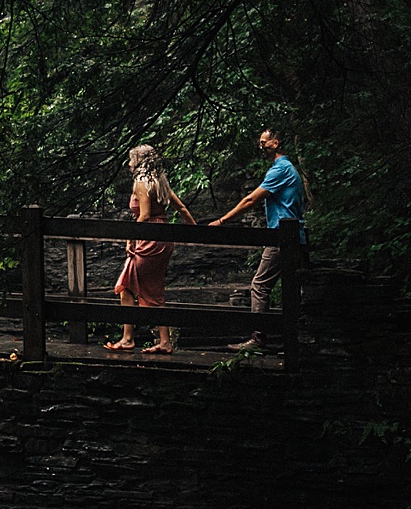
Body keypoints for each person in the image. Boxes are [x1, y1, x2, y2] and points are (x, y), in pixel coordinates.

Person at [208, 128, 307, 351]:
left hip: (283, 237)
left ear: (276, 142)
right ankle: (294, 338)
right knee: (293, 288)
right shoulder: (286, 168)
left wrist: (222, 221)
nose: (260, 146)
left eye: (264, 142)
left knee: (260, 285)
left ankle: (258, 338)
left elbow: (250, 200)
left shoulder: (281, 170)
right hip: (293, 236)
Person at [105, 144, 196, 354]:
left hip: (148, 240)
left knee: (129, 286)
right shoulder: (160, 182)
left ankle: (129, 339)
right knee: (145, 289)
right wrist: (196, 230)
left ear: (139, 162)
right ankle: (163, 341)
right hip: (163, 238)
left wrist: (131, 239)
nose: (129, 164)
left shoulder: (141, 183)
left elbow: (144, 215)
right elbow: (181, 208)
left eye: (131, 160)